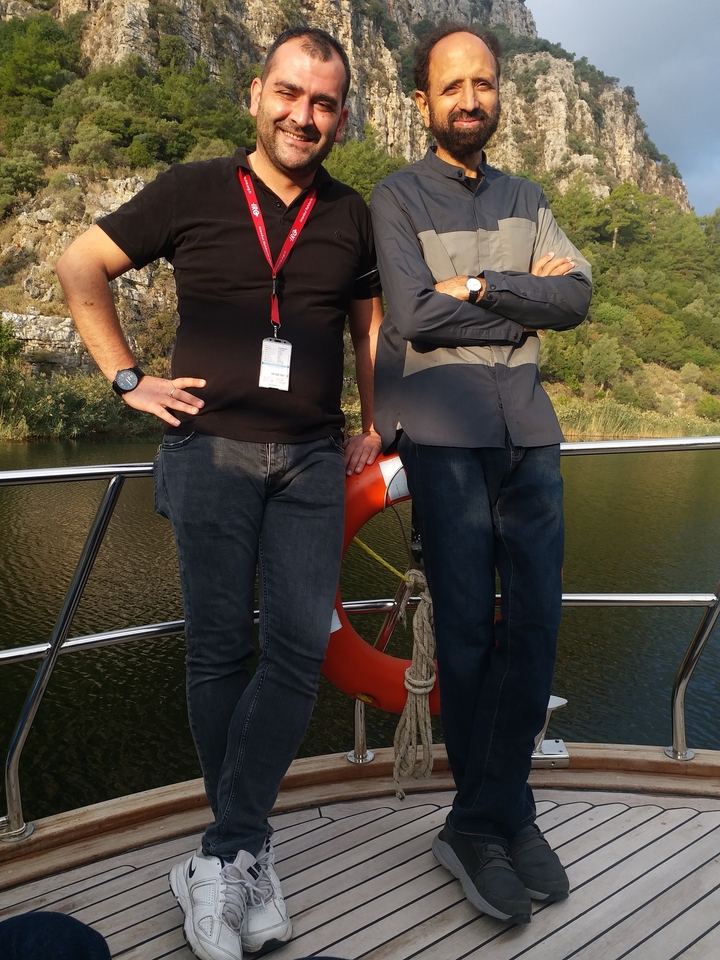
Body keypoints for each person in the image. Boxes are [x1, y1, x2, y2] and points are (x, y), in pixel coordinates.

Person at [56, 26, 383, 960]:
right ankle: (244, 849)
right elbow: (82, 269)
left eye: (322, 103)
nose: (303, 115)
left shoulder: (352, 213)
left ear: (342, 115)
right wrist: (129, 380)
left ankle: (225, 850)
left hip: (316, 460)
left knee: (291, 648)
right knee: (215, 656)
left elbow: (366, 325)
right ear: (255, 93)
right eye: (289, 94)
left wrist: (376, 419)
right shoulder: (193, 190)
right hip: (209, 454)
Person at [370, 24, 592, 926]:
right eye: (452, 86)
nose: (471, 99)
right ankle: (476, 823)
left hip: (529, 438)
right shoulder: (395, 197)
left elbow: (575, 296)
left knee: (534, 630)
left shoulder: (529, 194)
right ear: (423, 102)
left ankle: (504, 811)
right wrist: (517, 298)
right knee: (464, 635)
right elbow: (414, 315)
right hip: (446, 440)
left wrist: (478, 288)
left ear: (499, 94)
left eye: (485, 84)